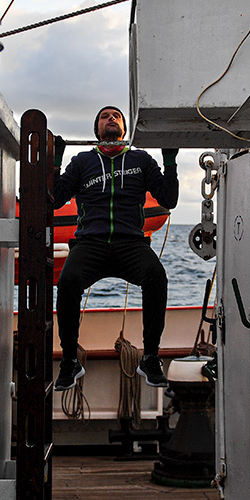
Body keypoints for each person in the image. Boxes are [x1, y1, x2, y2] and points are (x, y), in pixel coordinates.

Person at [52, 105, 179, 390]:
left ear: (123, 130)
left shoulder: (141, 160)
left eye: (116, 116)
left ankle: (150, 357)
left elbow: (168, 199)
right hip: (90, 243)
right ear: (97, 130)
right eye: (105, 116)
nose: (111, 118)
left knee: (156, 277)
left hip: (130, 243)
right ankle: (70, 360)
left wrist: (170, 160)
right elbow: (56, 199)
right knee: (68, 282)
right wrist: (56, 161)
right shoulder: (82, 161)